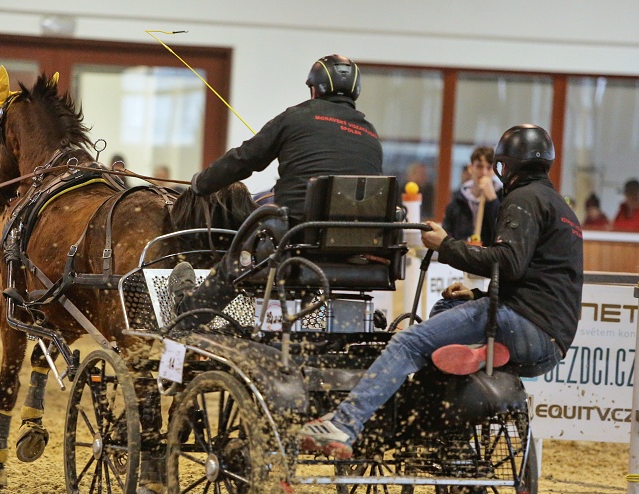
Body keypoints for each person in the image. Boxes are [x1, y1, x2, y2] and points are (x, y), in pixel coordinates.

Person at [299, 124, 583, 459]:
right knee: (446, 309)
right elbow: (536, 279)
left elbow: (509, 263)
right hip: (553, 342)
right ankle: (452, 429)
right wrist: (477, 297)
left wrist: (445, 245)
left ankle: (344, 424)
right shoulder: (562, 208)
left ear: (506, 166)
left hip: (520, 323)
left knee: (409, 341)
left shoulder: (523, 199)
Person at [169, 54, 383, 322]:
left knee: (241, 252)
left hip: (298, 239)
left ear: (314, 89)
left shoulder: (296, 117)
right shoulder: (370, 134)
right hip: (352, 247)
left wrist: (201, 183)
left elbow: (244, 159)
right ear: (356, 92)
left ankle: (189, 313)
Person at [442, 146, 502, 246]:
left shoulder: (503, 196)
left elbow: (503, 231)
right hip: (464, 256)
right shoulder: (458, 199)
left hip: (489, 258)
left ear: (494, 171)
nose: (484, 172)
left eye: (489, 168)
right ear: (471, 168)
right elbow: (447, 233)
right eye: (479, 166)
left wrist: (492, 200)